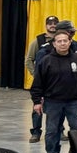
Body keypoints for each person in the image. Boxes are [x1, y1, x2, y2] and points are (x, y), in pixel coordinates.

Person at [30, 31, 77, 153]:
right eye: (59, 41)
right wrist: (36, 102)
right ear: (54, 44)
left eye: (65, 41)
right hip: (53, 102)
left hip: (73, 101)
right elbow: (37, 83)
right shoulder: (46, 61)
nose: (62, 43)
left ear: (70, 42)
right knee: (52, 130)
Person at [24, 15, 61, 143]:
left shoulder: (62, 39)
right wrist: (36, 75)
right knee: (37, 106)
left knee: (58, 107)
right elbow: (29, 60)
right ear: (46, 25)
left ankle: (59, 131)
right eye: (50, 23)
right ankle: (35, 132)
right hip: (42, 83)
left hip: (57, 82)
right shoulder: (38, 41)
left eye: (55, 23)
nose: (52, 25)